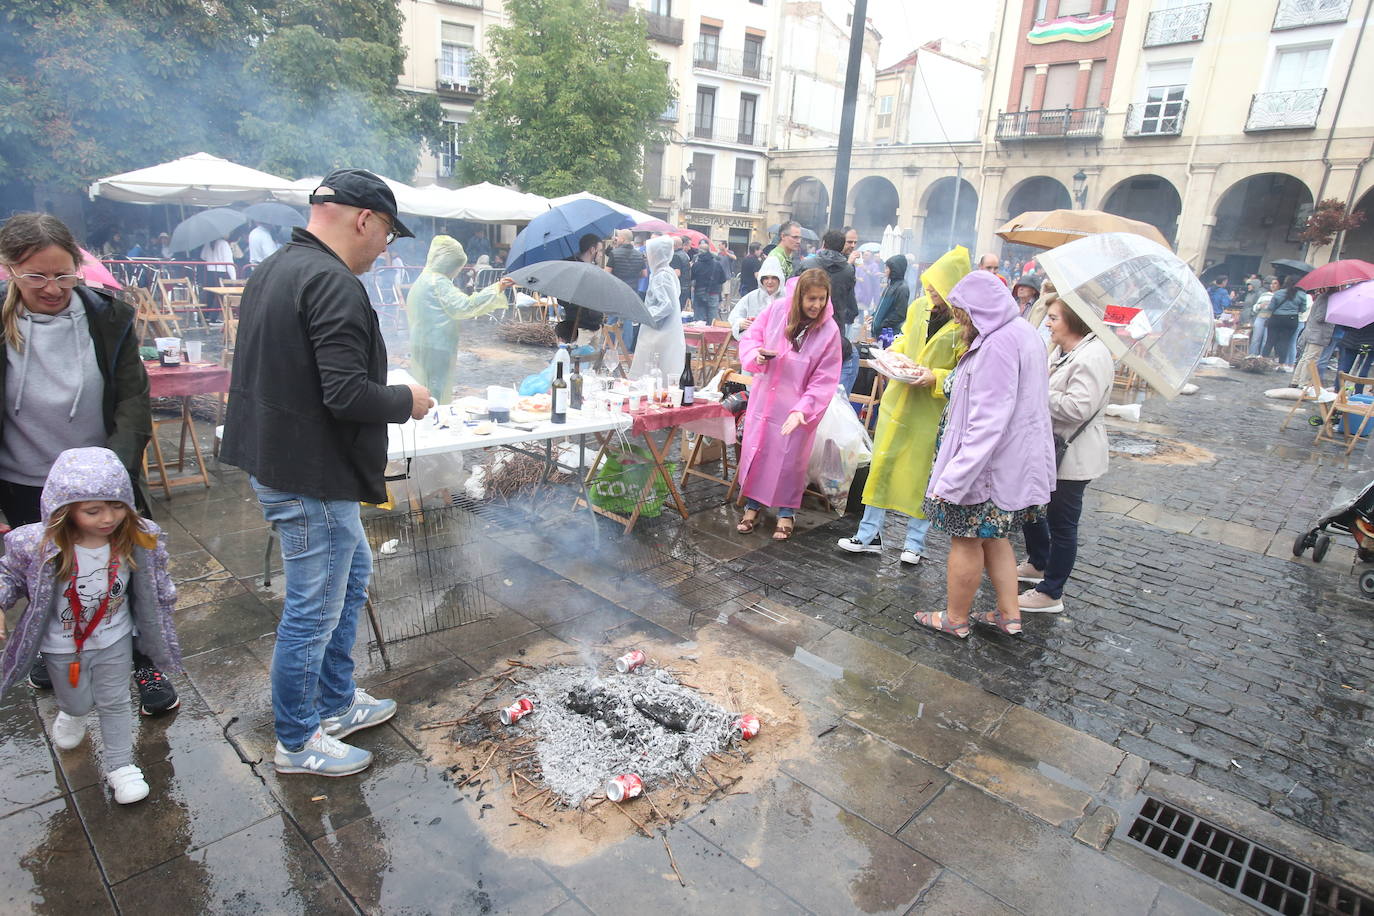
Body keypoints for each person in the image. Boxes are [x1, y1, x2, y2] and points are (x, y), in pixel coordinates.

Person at [221, 168, 432, 777]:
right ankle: (297, 738)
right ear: (365, 219)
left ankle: (336, 703)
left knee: (354, 571)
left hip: (289, 458)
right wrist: (405, 401)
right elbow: (345, 394)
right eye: (388, 235)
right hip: (306, 471)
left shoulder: (279, 266)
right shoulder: (332, 282)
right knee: (312, 606)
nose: (384, 249)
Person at [0, 212, 174, 713]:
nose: (52, 287)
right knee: (44, 576)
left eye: (63, 274)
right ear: (11, 270)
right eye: (37, 275)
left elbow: (131, 400)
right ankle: (51, 651)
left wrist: (111, 479)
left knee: (124, 574)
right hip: (24, 480)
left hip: (104, 485)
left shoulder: (108, 317)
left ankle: (144, 661)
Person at [0, 446, 181, 804]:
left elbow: (156, 580)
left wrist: (162, 609)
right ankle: (73, 712)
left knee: (115, 701)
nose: (107, 518)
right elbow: (8, 575)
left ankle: (121, 766)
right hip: (61, 645)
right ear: (64, 510)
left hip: (114, 638)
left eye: (117, 506)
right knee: (78, 701)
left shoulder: (138, 537)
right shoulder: (36, 545)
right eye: (93, 510)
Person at [916, 270, 1055, 638]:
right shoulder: (1023, 332)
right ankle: (1010, 616)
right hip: (1009, 467)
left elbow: (989, 419)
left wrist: (956, 474)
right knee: (996, 537)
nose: (962, 322)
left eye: (964, 315)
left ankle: (955, 618)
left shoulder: (997, 345)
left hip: (987, 469)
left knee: (965, 539)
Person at [837, 247, 971, 564]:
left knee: (922, 474)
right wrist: (891, 356)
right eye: (929, 282)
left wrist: (935, 379)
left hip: (930, 410)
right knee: (881, 465)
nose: (931, 289)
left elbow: (965, 371)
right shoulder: (919, 307)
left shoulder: (963, 323)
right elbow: (904, 339)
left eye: (939, 285)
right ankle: (869, 534)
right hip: (898, 400)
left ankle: (915, 542)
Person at [1016, 299, 1113, 614]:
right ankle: (1039, 562)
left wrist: (1037, 389)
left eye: (1054, 318)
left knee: (1062, 524)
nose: (1048, 323)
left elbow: (1078, 408)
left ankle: (1051, 591)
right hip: (1046, 447)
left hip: (1072, 454)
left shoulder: (1093, 356)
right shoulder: (1065, 350)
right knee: (1032, 508)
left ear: (1073, 320)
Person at [735, 269, 843, 540]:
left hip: (797, 406)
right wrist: (755, 355)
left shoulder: (828, 330)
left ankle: (786, 511)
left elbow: (824, 379)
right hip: (765, 401)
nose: (816, 305)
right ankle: (753, 505)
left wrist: (803, 410)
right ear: (799, 298)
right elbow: (752, 338)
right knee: (760, 451)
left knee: (790, 459)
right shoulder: (776, 311)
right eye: (811, 299)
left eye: (821, 298)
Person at [405, 236, 512, 404]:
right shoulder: (438, 282)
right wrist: (497, 287)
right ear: (449, 263)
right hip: (437, 345)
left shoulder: (423, 279)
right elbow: (466, 306)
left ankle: (426, 422)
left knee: (423, 388)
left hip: (422, 341)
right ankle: (436, 423)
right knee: (436, 392)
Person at [801, 229, 859, 392]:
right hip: (835, 328)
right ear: (841, 247)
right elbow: (851, 305)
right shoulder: (848, 270)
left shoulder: (807, 265)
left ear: (823, 244)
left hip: (804, 329)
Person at [629, 236, 685, 383]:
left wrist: (645, 315)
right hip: (665, 331)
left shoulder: (661, 276)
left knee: (652, 372)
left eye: (648, 253)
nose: (646, 257)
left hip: (658, 333)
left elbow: (667, 305)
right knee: (663, 371)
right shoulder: (668, 272)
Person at [554, 234, 606, 347]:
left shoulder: (593, 270)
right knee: (577, 362)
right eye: (600, 250)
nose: (602, 254)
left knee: (592, 362)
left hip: (596, 325)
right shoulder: (571, 268)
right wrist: (579, 299)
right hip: (579, 327)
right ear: (592, 250)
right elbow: (561, 298)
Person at [729, 259, 785, 339]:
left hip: (780, 344)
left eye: (773, 278)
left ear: (780, 279)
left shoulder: (788, 297)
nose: (769, 282)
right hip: (755, 344)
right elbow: (735, 316)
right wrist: (740, 323)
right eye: (766, 278)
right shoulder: (751, 297)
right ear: (761, 280)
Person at [1292, 288, 1335, 388]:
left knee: (1306, 357)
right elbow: (1320, 317)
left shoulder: (1323, 297)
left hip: (1313, 332)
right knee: (1311, 359)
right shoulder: (1327, 299)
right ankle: (1303, 383)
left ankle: (1296, 380)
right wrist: (1332, 314)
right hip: (1318, 334)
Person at [1263, 275, 1307, 371]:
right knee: (1285, 342)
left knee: (1270, 341)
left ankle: (1263, 362)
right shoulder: (1302, 295)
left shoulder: (1278, 293)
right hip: (1291, 320)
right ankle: (1281, 365)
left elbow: (1271, 308)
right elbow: (1303, 309)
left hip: (1276, 318)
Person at [870, 255, 910, 338]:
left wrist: (882, 324)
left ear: (895, 270)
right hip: (879, 333)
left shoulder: (902, 288)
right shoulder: (890, 285)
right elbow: (883, 307)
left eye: (887, 268)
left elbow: (900, 314)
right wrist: (874, 316)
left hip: (888, 335)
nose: (885, 271)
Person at [690, 244, 727, 323]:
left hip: (699, 293)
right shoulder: (717, 264)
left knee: (699, 320)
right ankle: (710, 333)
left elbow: (691, 278)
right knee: (712, 319)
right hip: (713, 293)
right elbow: (723, 279)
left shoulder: (696, 265)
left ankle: (701, 334)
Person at [605, 229, 646, 296]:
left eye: (618, 237)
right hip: (633, 292)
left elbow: (607, 273)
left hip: (617, 291)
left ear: (622, 239)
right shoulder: (639, 254)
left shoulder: (614, 253)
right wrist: (634, 276)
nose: (616, 239)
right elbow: (644, 274)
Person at [1249, 276, 1278, 356]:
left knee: (1266, 340)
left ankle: (1262, 357)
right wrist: (1260, 306)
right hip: (1260, 317)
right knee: (1256, 338)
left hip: (1271, 319)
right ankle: (1252, 356)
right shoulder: (1264, 294)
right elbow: (1255, 308)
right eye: (1271, 284)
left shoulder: (1279, 296)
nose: (1272, 285)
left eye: (1275, 284)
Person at [670, 236, 692, 312]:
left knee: (675, 311)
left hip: (679, 287)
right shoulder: (684, 255)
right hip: (685, 287)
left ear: (673, 245)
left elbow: (677, 273)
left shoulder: (675, 256)